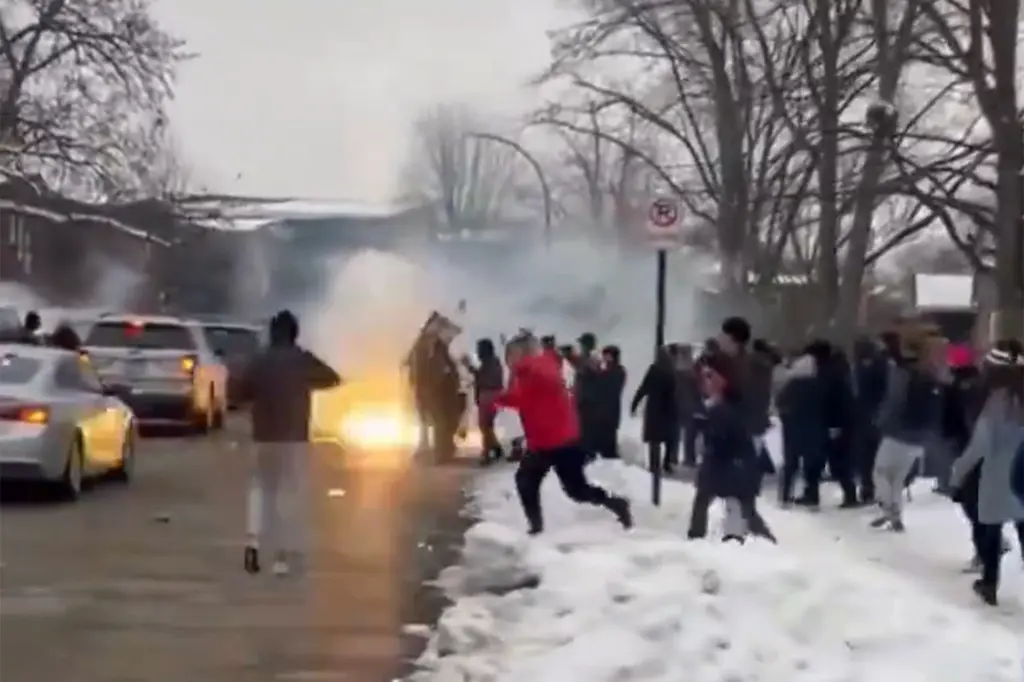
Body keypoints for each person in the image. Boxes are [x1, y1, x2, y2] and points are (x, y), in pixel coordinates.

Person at [494, 331, 632, 535]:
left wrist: (496, 399)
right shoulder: (540, 366)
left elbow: (522, 397)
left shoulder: (534, 370)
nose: (508, 360)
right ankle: (537, 526)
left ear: (521, 353)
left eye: (510, 354)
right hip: (552, 439)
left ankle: (616, 504)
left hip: (556, 441)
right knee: (537, 482)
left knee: (566, 488)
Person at [237, 309, 341, 576]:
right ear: (295, 333)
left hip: (263, 437)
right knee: (289, 494)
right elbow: (332, 378)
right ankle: (281, 558)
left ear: (272, 333)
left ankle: (253, 543)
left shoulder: (260, 361)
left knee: (260, 490)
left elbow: (237, 390)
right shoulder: (302, 359)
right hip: (294, 439)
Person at [948, 341, 1024, 606]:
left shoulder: (996, 403)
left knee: (991, 529)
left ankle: (989, 583)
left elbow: (979, 446)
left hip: (999, 475)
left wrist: (957, 475)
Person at [687, 352, 776, 543]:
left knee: (740, 505)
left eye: (710, 376)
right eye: (704, 376)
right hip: (728, 465)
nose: (706, 382)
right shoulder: (717, 404)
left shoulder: (726, 406)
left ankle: (761, 540)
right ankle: (697, 537)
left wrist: (706, 427)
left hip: (733, 465)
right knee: (715, 500)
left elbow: (725, 436)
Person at [869, 330, 944, 532]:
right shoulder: (930, 374)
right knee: (898, 477)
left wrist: (880, 422)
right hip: (920, 436)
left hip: (898, 431)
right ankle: (896, 515)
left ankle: (889, 510)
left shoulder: (902, 373)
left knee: (880, 472)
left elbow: (895, 402)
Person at [775, 342, 830, 507]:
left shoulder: (792, 385)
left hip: (793, 428)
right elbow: (825, 406)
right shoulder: (819, 385)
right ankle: (812, 495)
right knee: (811, 466)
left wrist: (786, 416)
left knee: (790, 464)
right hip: (814, 429)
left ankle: (785, 496)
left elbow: (779, 402)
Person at [631, 345, 681, 473]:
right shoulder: (672, 370)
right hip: (669, 407)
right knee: (670, 437)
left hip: (655, 408)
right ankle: (667, 463)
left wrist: (635, 403)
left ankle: (655, 465)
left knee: (655, 440)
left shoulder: (654, 369)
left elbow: (644, 388)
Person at [851, 336, 889, 504]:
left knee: (865, 458)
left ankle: (868, 489)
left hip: (863, 417)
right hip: (877, 417)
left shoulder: (858, 369)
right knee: (877, 457)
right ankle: (879, 490)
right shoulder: (883, 366)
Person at [462, 338, 505, 464]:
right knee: (488, 425)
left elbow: (481, 377)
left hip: (488, 396)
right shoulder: (494, 362)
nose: (477, 352)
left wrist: (468, 366)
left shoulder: (489, 363)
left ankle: (487, 453)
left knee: (484, 425)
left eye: (479, 349)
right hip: (495, 396)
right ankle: (496, 448)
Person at [572, 332, 603, 458]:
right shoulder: (588, 359)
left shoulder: (592, 360)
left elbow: (591, 375)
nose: (581, 347)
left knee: (585, 428)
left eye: (582, 344)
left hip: (586, 400)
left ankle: (588, 452)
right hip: (583, 399)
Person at [593, 344, 626, 459]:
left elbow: (608, 387)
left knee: (609, 437)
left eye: (607, 356)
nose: (604, 358)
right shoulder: (607, 370)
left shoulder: (617, 371)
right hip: (603, 411)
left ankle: (611, 457)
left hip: (610, 411)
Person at [673, 343, 703, 467]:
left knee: (682, 433)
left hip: (681, 405)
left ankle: (678, 457)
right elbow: (697, 389)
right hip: (688, 405)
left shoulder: (678, 372)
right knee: (688, 433)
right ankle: (688, 458)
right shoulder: (691, 371)